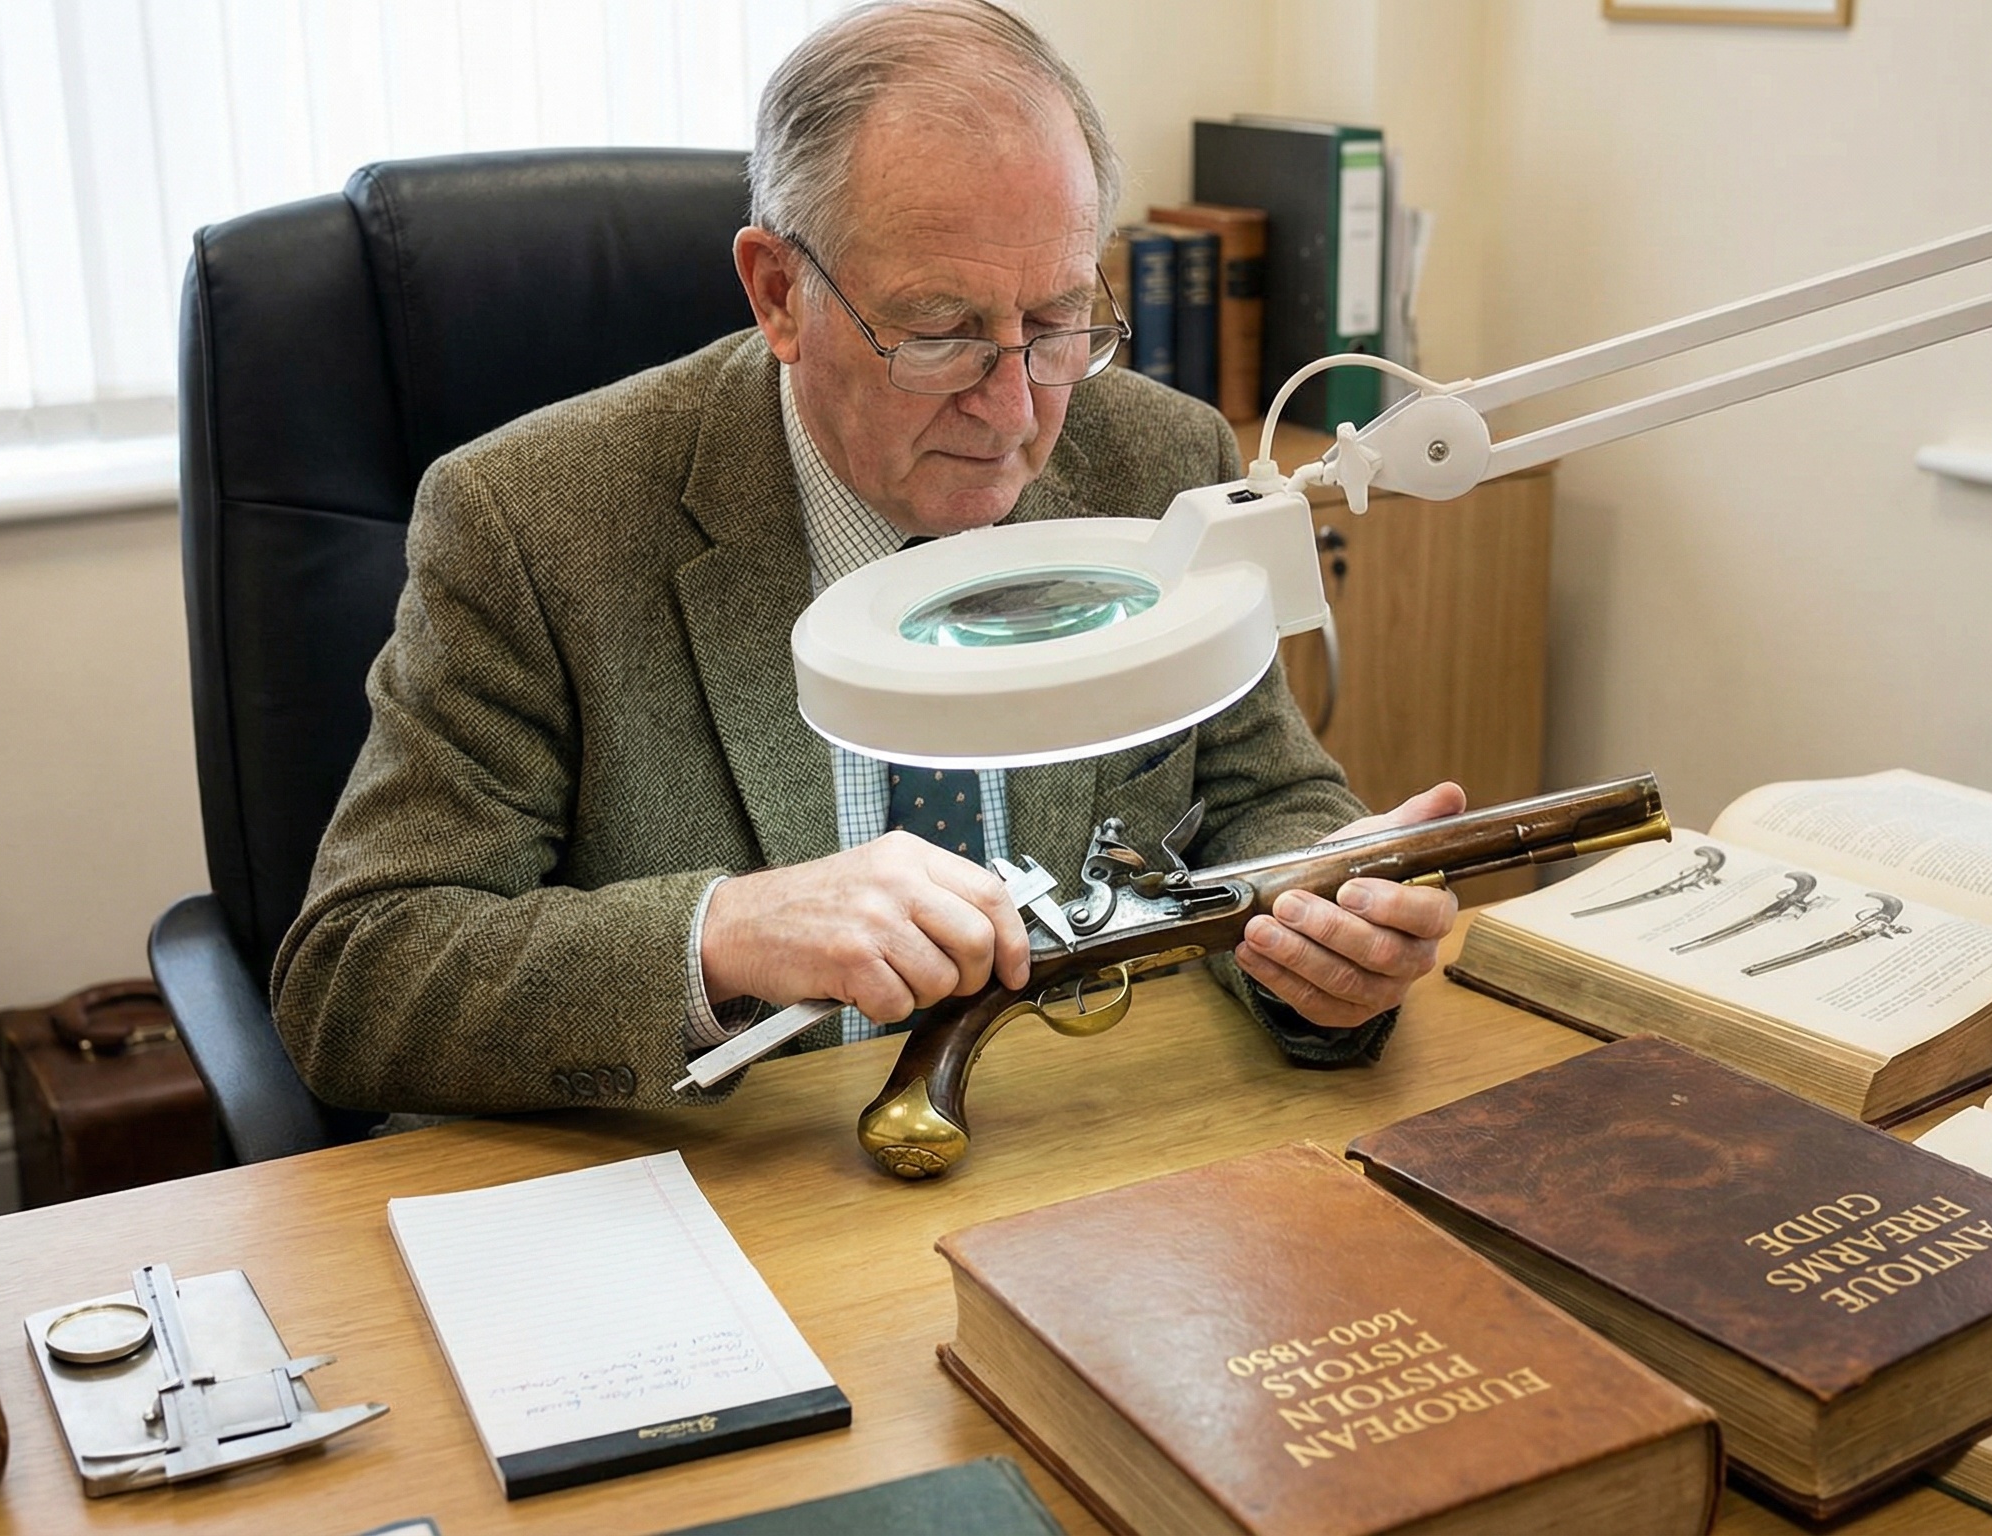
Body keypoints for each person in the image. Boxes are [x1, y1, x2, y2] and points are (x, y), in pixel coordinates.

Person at [271, 0, 1461, 1115]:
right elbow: (357, 976)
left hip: (1082, 1135)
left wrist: (1322, 923)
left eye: (1054, 323)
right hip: (738, 1196)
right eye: (941, 333)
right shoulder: (529, 521)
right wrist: (723, 931)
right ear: (779, 292)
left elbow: (1264, 800)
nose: (1013, 412)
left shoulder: (1161, 456)